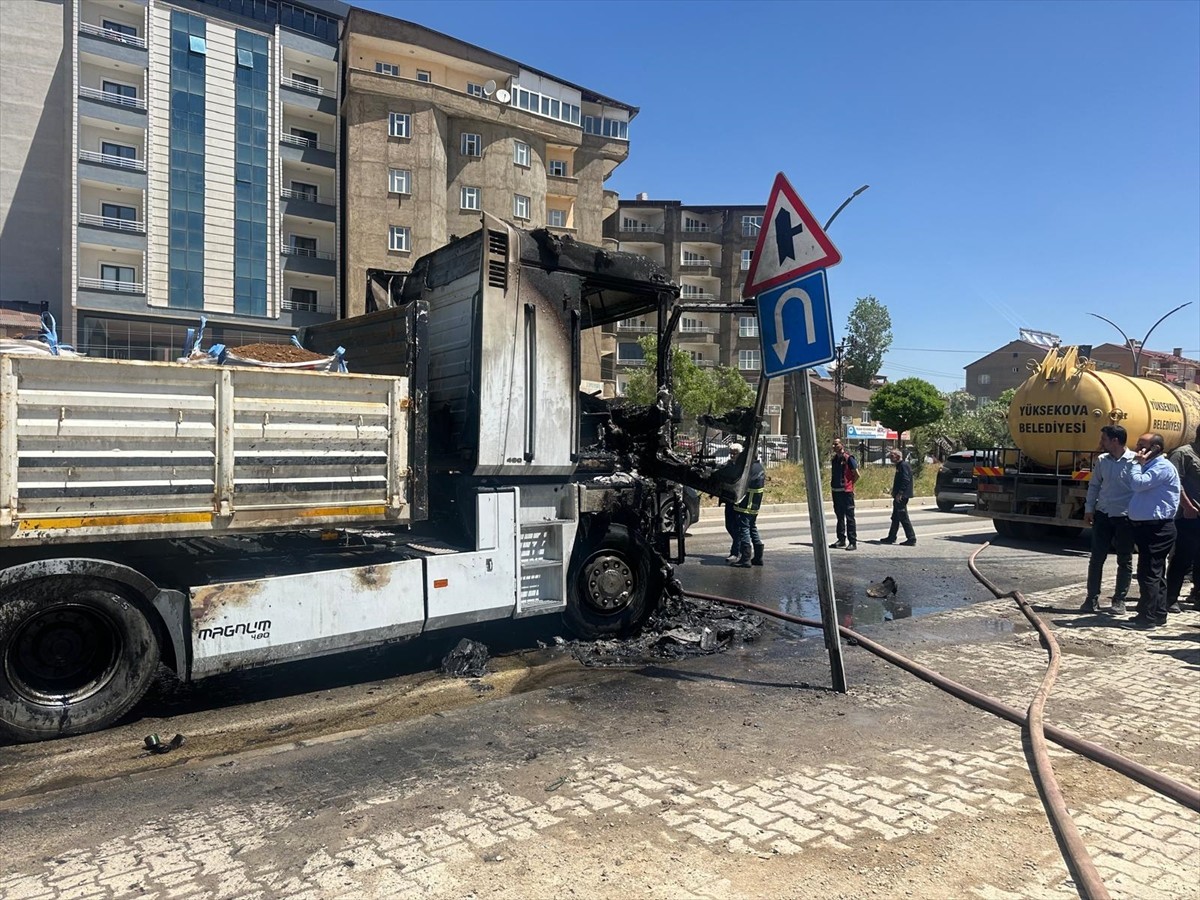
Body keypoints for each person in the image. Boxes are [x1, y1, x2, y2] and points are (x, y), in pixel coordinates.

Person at [1124, 432, 1181, 629]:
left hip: (1157, 528)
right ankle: (1158, 613)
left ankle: (1147, 618)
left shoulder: (1161, 467)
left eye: (1142, 445)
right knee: (1156, 572)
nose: (1137, 448)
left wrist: (1136, 464)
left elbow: (1138, 484)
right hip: (1147, 527)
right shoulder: (1149, 465)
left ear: (1155, 448)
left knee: (1149, 573)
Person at [1080, 424, 1136, 615]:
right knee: (1096, 559)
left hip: (1125, 517)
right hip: (1103, 514)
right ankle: (1091, 598)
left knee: (1124, 560)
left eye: (1104, 439)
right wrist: (1089, 509)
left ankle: (1119, 600)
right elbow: (1094, 486)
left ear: (1115, 441)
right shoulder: (1102, 460)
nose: (1101, 443)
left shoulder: (1135, 461)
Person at [1166, 425, 1200, 612]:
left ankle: (1198, 596)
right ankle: (1170, 598)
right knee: (1182, 558)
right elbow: (1174, 483)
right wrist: (1187, 506)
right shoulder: (1183, 454)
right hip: (1188, 516)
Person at [729, 451, 766, 568]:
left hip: (745, 505)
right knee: (752, 528)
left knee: (743, 529)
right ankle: (758, 557)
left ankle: (745, 558)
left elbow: (739, 482)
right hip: (754, 506)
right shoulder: (759, 468)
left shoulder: (750, 469)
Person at [879, 448, 916, 546]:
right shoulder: (899, 466)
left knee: (903, 517)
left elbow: (905, 480)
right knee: (895, 517)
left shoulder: (903, 465)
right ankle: (891, 537)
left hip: (902, 496)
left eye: (892, 456)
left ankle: (911, 538)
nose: (890, 458)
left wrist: (900, 493)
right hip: (898, 495)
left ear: (898, 456)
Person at [829, 438, 859, 551]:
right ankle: (841, 539)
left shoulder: (849, 458)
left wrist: (850, 485)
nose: (834, 446)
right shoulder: (834, 459)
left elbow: (857, 474)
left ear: (842, 445)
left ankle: (852, 542)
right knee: (839, 517)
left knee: (849, 517)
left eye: (836, 444)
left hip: (846, 492)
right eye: (833, 444)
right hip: (836, 491)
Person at [721, 442, 744, 561]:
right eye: (731, 453)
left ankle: (735, 551)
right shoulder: (729, 464)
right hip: (729, 500)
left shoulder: (742, 466)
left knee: (736, 527)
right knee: (729, 525)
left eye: (735, 453)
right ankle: (740, 547)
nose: (732, 456)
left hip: (738, 500)